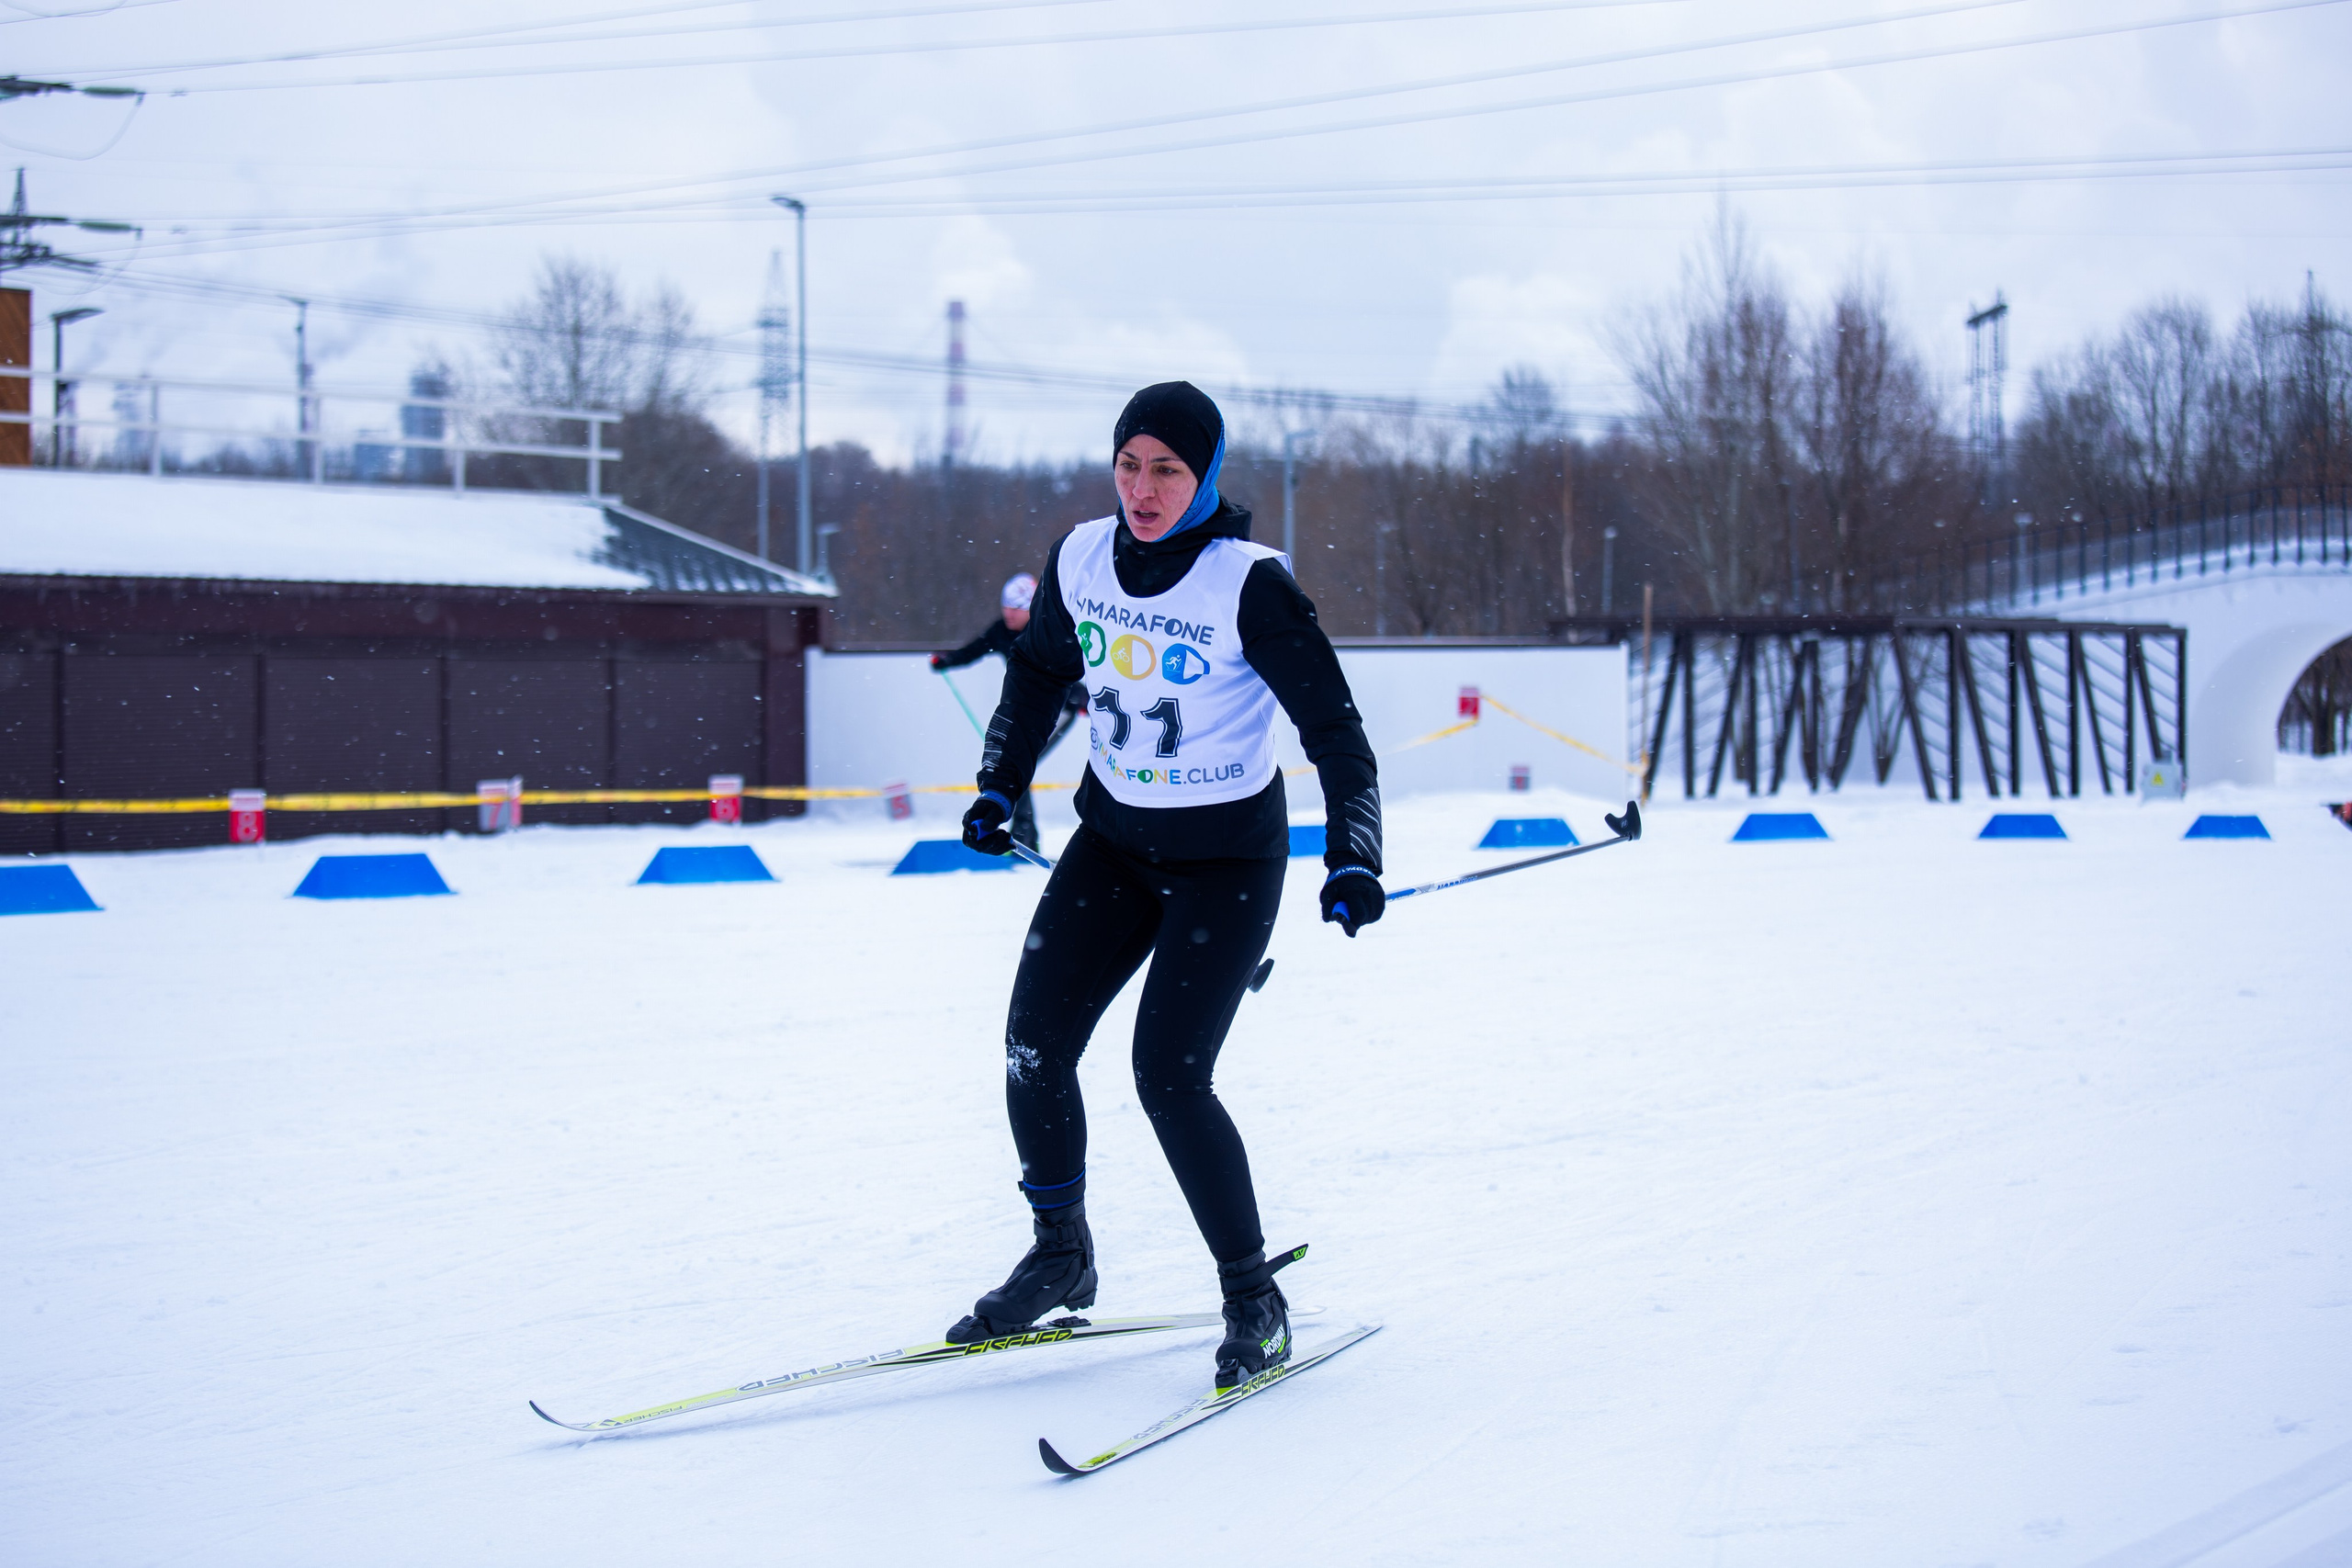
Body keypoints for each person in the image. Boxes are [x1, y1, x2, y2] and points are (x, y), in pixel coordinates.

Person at [946, 380, 1385, 1391]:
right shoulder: (1080, 557)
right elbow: (1037, 672)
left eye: (1168, 470)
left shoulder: (1250, 584)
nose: (1142, 489)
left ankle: (1253, 1299)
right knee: (1032, 1048)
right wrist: (999, 787)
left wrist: (1353, 852)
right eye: (1128, 465)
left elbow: (1337, 735)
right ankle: (1061, 1254)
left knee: (1168, 1076)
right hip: (1112, 844)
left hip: (1226, 861)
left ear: (1205, 476)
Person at [932, 575, 1086, 852]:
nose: (1009, 615)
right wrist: (947, 660)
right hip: (1029, 708)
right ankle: (1026, 833)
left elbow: (1070, 669)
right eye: (1006, 609)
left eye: (1016, 609)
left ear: (1031, 608)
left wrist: (1083, 699)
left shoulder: (1048, 628)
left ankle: (1026, 833)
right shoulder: (1002, 631)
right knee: (1015, 767)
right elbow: (973, 649)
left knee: (1018, 763)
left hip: (1059, 709)